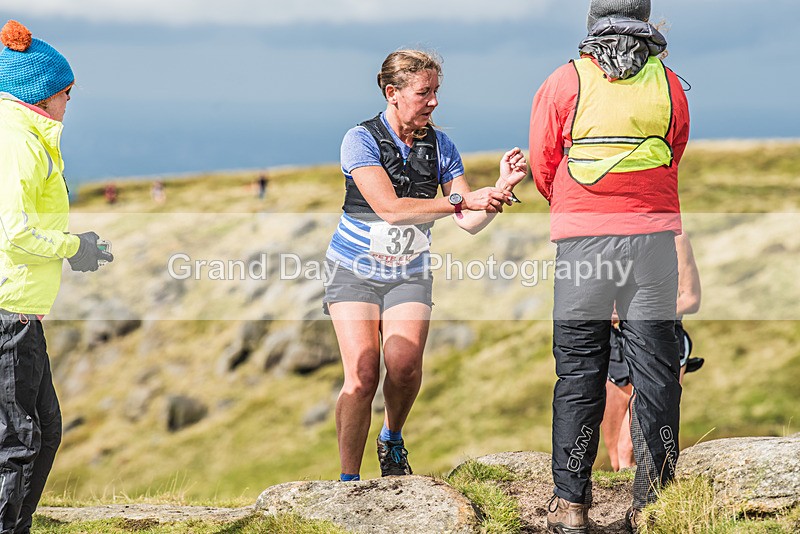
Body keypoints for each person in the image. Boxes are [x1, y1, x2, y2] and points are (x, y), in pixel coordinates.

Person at [324, 49, 527, 482]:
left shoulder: (441, 146)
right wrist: (458, 200)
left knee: (403, 366)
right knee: (361, 373)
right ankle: (347, 484)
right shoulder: (359, 139)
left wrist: (501, 189)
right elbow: (390, 210)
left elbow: (470, 221)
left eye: (437, 91)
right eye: (424, 92)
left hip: (407, 273)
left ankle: (392, 439)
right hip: (353, 270)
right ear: (392, 92)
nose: (434, 101)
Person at [528, 1, 690, 532]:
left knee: (578, 370)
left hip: (583, 244)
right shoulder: (669, 84)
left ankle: (572, 508)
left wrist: (575, 207)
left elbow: (543, 161)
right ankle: (655, 505)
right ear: (646, 21)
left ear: (592, 24)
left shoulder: (564, 81)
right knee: (656, 370)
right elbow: (674, 150)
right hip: (651, 241)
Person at [0, 20, 114, 533]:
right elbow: (14, 230)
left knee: (42, 434)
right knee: (20, 441)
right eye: (68, 92)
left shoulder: (24, 135)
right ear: (44, 93)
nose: (71, 102)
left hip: (23, 310)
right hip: (8, 312)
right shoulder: (18, 143)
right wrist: (74, 247)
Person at [602, 233, 702, 471]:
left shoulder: (677, 238)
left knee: (629, 448)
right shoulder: (607, 237)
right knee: (617, 457)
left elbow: (691, 299)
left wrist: (638, 311)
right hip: (615, 345)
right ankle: (630, 502)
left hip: (661, 340)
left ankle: (651, 503)